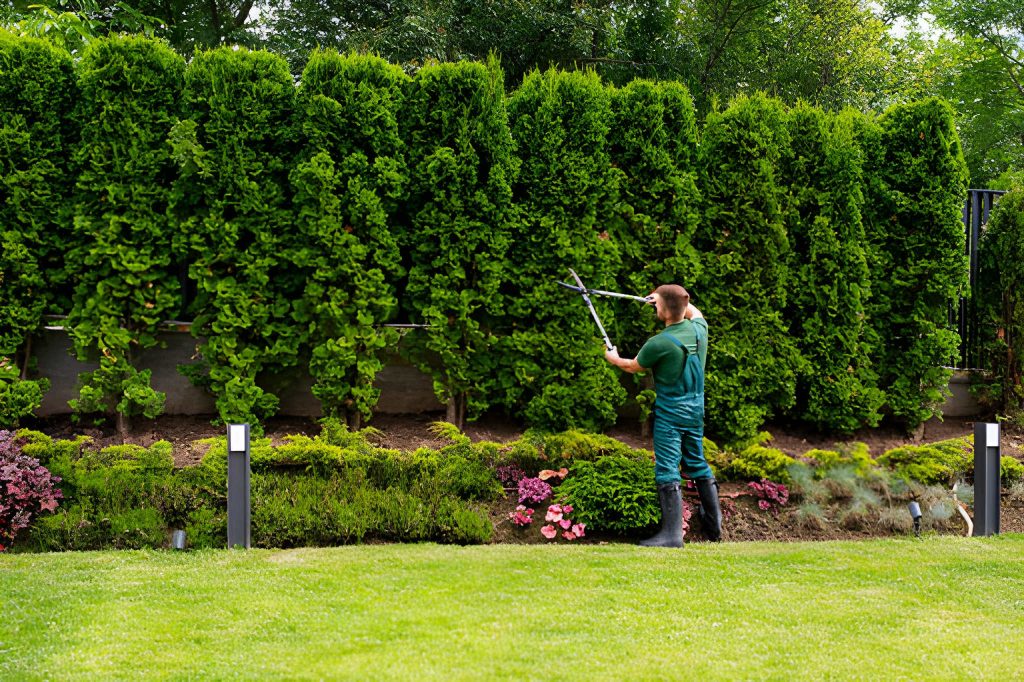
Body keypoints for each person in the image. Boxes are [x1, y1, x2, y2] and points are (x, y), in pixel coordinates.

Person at [604, 284, 722, 547]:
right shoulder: (699, 330)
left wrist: (613, 358)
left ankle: (671, 535)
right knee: (696, 460)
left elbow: (632, 366)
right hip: (695, 410)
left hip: (671, 413)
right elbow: (694, 310)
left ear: (665, 310)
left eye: (657, 304)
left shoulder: (658, 343)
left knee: (668, 467)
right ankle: (714, 527)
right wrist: (664, 300)